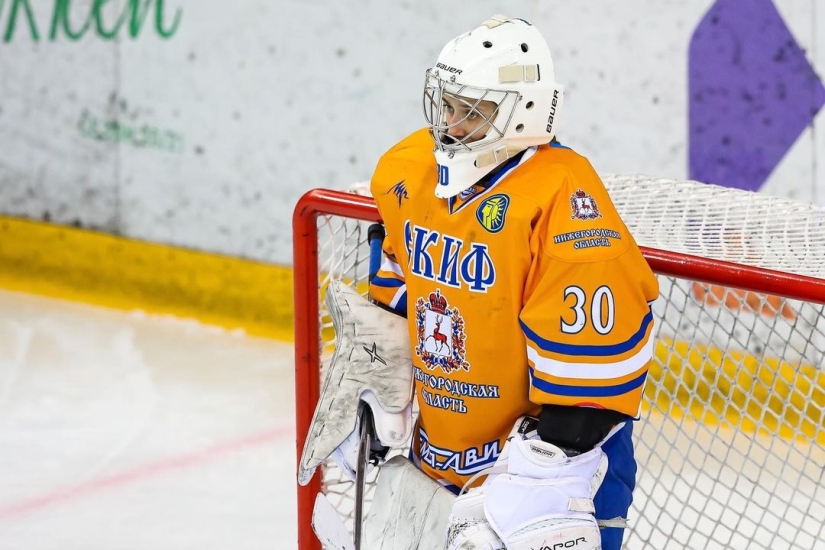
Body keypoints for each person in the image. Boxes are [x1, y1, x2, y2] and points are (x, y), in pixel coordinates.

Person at [364, 14, 660, 550]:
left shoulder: (566, 202)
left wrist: (539, 478)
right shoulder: (411, 169)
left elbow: (591, 382)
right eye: (447, 104)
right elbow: (396, 281)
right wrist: (374, 378)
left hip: (545, 480)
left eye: (471, 112)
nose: (450, 124)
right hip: (437, 456)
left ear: (522, 112)